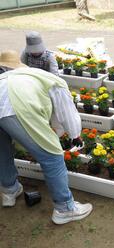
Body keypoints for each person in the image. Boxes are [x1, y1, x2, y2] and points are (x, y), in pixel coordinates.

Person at [0, 50, 92, 224]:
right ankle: (65, 209)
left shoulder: (5, 79)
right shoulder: (52, 80)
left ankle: (9, 191)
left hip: (6, 107)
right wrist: (75, 135)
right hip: (17, 107)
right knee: (52, 157)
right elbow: (67, 113)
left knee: (2, 151)